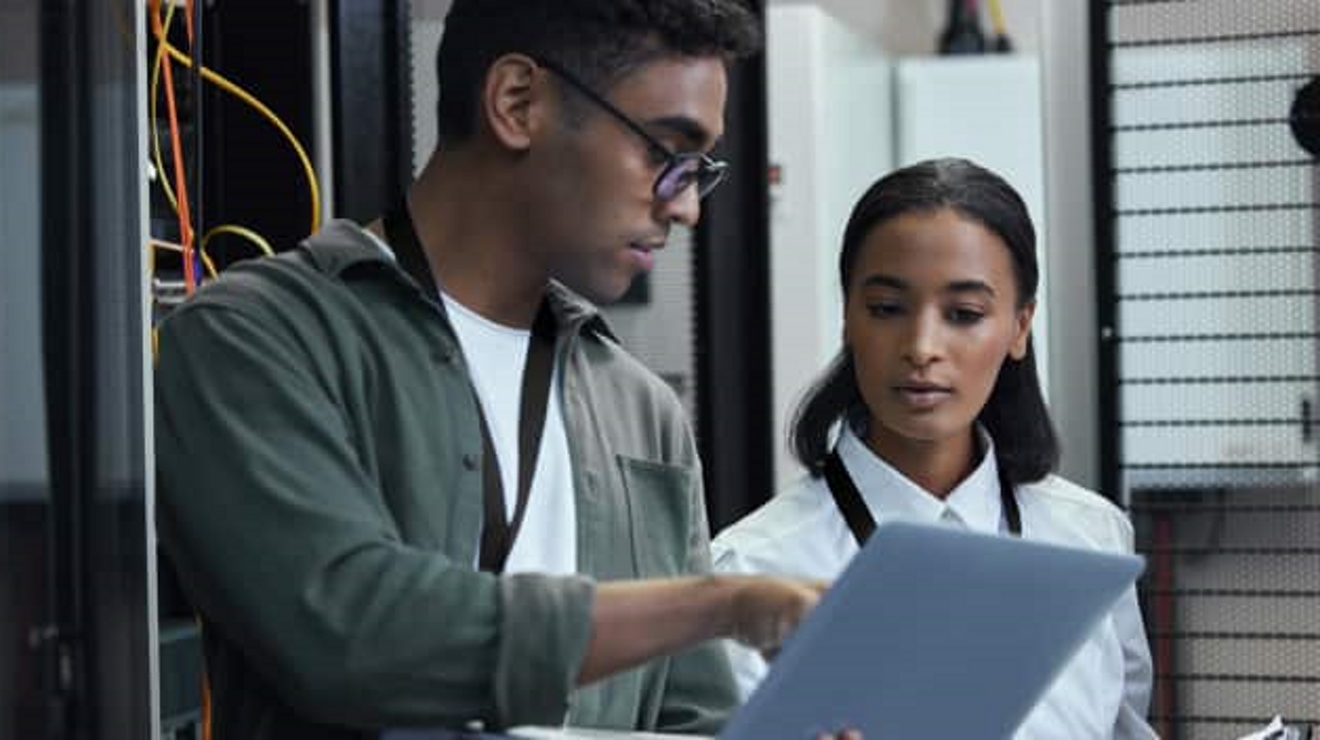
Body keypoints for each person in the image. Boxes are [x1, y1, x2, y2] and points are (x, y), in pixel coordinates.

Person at [154, 2, 829, 738]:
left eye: (699, 171)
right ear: (517, 103)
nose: (688, 207)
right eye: (665, 153)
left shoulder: (640, 410)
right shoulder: (256, 338)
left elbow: (693, 719)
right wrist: (721, 604)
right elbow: (353, 637)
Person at [712, 158, 1156, 739]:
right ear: (847, 317)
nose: (922, 347)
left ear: (1020, 326)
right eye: (887, 309)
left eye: (964, 315)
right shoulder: (751, 569)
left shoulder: (1091, 539)